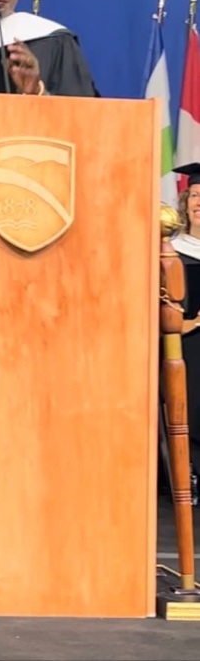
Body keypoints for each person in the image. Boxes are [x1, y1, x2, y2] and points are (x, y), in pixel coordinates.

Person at [170, 162, 200, 503]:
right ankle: (187, 475)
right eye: (194, 194)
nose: (199, 201)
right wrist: (186, 323)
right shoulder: (172, 253)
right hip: (188, 342)